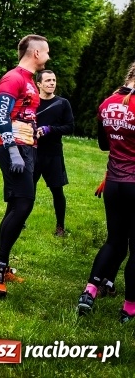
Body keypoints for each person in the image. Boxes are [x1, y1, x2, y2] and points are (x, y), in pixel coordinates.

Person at [0, 34, 50, 297]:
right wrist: (12, 150)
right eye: (46, 51)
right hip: (15, 150)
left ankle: (1, 265)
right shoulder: (13, 78)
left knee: (16, 206)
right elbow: (1, 116)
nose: (48, 56)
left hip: (28, 149)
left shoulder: (30, 81)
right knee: (24, 204)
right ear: (35, 53)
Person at [76, 61, 135, 321]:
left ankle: (89, 291)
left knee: (114, 240)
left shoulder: (106, 103)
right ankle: (129, 309)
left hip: (113, 183)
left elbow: (103, 144)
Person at [33, 70, 74, 237]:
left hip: (53, 153)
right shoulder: (33, 102)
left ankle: (60, 227)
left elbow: (70, 128)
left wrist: (49, 129)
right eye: (48, 80)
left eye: (54, 80)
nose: (52, 83)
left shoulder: (63, 103)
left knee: (57, 191)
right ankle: (19, 222)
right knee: (27, 189)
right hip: (33, 152)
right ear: (39, 84)